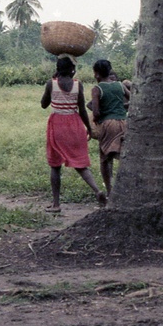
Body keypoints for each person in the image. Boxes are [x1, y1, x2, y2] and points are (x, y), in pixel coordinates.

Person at [41, 56, 106, 212]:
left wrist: (50, 89)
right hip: (75, 125)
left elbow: (43, 105)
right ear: (72, 70)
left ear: (57, 69)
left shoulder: (51, 84)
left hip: (57, 126)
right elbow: (82, 110)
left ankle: (56, 204)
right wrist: (89, 129)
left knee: (55, 165)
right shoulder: (78, 85)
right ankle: (97, 190)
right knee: (80, 163)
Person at [90, 59, 129, 197]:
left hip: (107, 124)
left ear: (97, 74)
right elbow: (132, 100)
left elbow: (96, 112)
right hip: (124, 123)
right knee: (124, 156)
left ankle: (110, 191)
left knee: (105, 158)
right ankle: (125, 189)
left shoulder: (97, 89)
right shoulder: (120, 85)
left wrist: (95, 122)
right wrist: (121, 108)